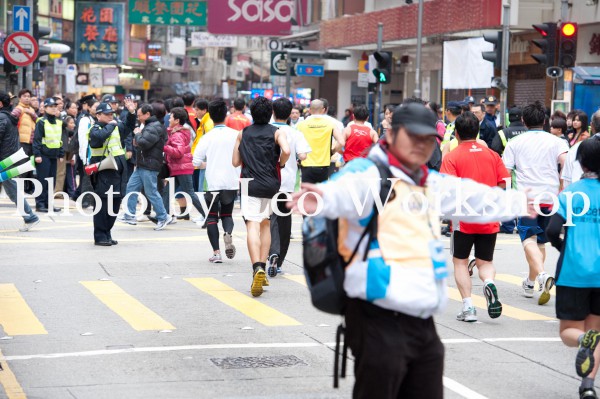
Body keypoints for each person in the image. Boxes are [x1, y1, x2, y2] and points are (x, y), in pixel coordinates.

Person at [287, 102, 531, 398]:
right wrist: (322, 198)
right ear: (391, 135)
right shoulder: (369, 174)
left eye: (428, 139)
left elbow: (472, 197)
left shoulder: (426, 182)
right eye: (413, 136)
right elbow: (344, 190)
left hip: (422, 320)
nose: (421, 145)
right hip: (377, 317)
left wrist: (521, 204)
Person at [440, 111, 511, 322]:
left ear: (457, 135)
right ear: (478, 131)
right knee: (485, 261)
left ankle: (469, 307)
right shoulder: (492, 155)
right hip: (489, 216)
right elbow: (505, 183)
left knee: (460, 261)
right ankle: (489, 283)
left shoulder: (452, 157)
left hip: (464, 218)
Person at [546, 135, 600, 399]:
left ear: (581, 162)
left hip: (573, 271)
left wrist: (561, 247)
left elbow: (552, 229)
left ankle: (582, 343)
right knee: (596, 331)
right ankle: (587, 387)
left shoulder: (570, 194)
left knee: (571, 331)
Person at [502, 101, 569, 305]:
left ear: (523, 120)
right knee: (540, 242)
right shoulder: (557, 141)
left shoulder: (515, 143)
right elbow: (566, 164)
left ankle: (540, 275)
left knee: (528, 240)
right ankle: (531, 283)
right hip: (550, 198)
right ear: (545, 121)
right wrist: (562, 187)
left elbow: (506, 172)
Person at [232, 96, 290, 297]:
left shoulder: (243, 133)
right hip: (271, 184)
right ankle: (262, 269)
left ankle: (256, 267)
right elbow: (287, 150)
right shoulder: (277, 132)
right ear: (271, 113)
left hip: (249, 184)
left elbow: (235, 161)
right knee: (265, 224)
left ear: (252, 113)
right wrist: (281, 163)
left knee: (251, 225)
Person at [267, 98, 311, 276]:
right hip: (287, 183)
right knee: (285, 221)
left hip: (267, 181)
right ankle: (279, 261)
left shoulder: (267, 130)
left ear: (273, 112)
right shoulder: (295, 133)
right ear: (289, 113)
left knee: (270, 219)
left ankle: (272, 253)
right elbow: (303, 156)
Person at [193, 99, 240, 263]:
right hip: (231, 181)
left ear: (210, 116)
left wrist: (207, 163)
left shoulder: (207, 137)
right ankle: (228, 233)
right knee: (227, 214)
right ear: (226, 115)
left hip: (212, 182)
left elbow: (196, 161)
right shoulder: (235, 135)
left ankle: (217, 253)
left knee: (212, 217)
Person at [88, 100, 136, 245]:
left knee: (115, 204)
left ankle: (107, 232)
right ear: (98, 115)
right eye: (107, 114)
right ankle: (100, 236)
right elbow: (100, 137)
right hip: (104, 172)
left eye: (112, 114)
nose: (111, 117)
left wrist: (132, 113)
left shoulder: (115, 126)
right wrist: (111, 125)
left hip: (118, 172)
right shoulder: (94, 129)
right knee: (103, 204)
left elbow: (128, 126)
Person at [119, 103, 171, 229]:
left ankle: (163, 217)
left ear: (148, 114)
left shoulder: (153, 127)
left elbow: (143, 143)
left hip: (149, 165)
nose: (138, 117)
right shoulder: (150, 126)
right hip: (143, 163)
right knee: (131, 187)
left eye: (139, 115)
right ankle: (129, 214)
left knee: (151, 192)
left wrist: (137, 134)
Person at [0, 91, 39, 231]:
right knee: (12, 190)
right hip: (10, 159)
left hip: (4, 161)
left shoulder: (2, 118)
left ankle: (30, 216)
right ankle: (29, 216)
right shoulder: (9, 117)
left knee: (12, 190)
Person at [161, 107, 206, 223]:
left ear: (177, 120)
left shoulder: (178, 135)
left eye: (171, 117)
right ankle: (164, 216)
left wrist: (164, 147)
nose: (169, 119)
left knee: (190, 192)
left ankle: (207, 214)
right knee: (167, 192)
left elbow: (179, 152)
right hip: (177, 168)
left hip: (182, 168)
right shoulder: (176, 132)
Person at [296, 99, 345, 184]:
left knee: (307, 194)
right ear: (323, 110)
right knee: (320, 195)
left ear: (310, 110)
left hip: (306, 165)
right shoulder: (330, 124)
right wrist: (332, 151)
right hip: (323, 166)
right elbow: (341, 142)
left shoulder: (301, 125)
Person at [32, 98, 64, 212]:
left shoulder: (59, 122)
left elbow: (59, 139)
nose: (54, 108)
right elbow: (37, 139)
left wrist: (61, 153)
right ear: (45, 108)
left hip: (53, 156)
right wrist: (37, 155)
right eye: (51, 106)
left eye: (55, 106)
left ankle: (49, 204)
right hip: (43, 156)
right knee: (42, 180)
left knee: (52, 181)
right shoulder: (41, 121)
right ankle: (40, 204)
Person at [15, 89, 37, 194]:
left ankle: (27, 187)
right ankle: (19, 188)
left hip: (31, 142)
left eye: (28, 96)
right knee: (22, 165)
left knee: (28, 166)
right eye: (24, 96)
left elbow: (37, 120)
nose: (27, 98)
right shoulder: (19, 109)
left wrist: (31, 113)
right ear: (20, 98)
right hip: (22, 142)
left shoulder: (31, 110)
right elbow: (12, 118)